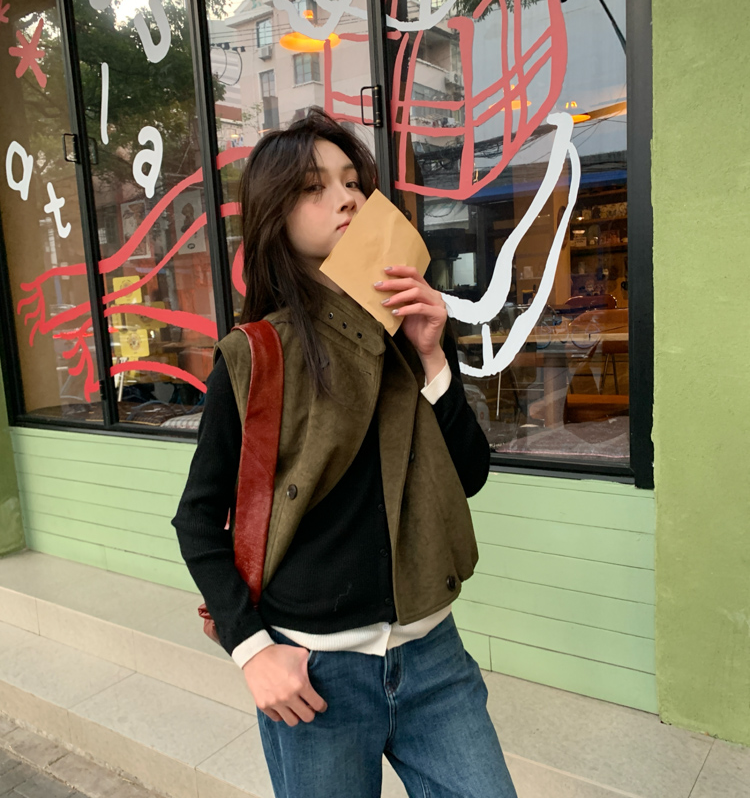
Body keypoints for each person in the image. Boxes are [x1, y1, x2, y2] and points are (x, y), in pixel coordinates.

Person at [172, 108, 517, 798]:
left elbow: (470, 474)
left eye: (354, 181)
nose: (347, 198)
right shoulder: (256, 355)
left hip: (433, 658)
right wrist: (254, 651)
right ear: (276, 215)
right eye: (314, 187)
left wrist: (432, 356)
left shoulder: (409, 330)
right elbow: (197, 519)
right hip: (316, 676)